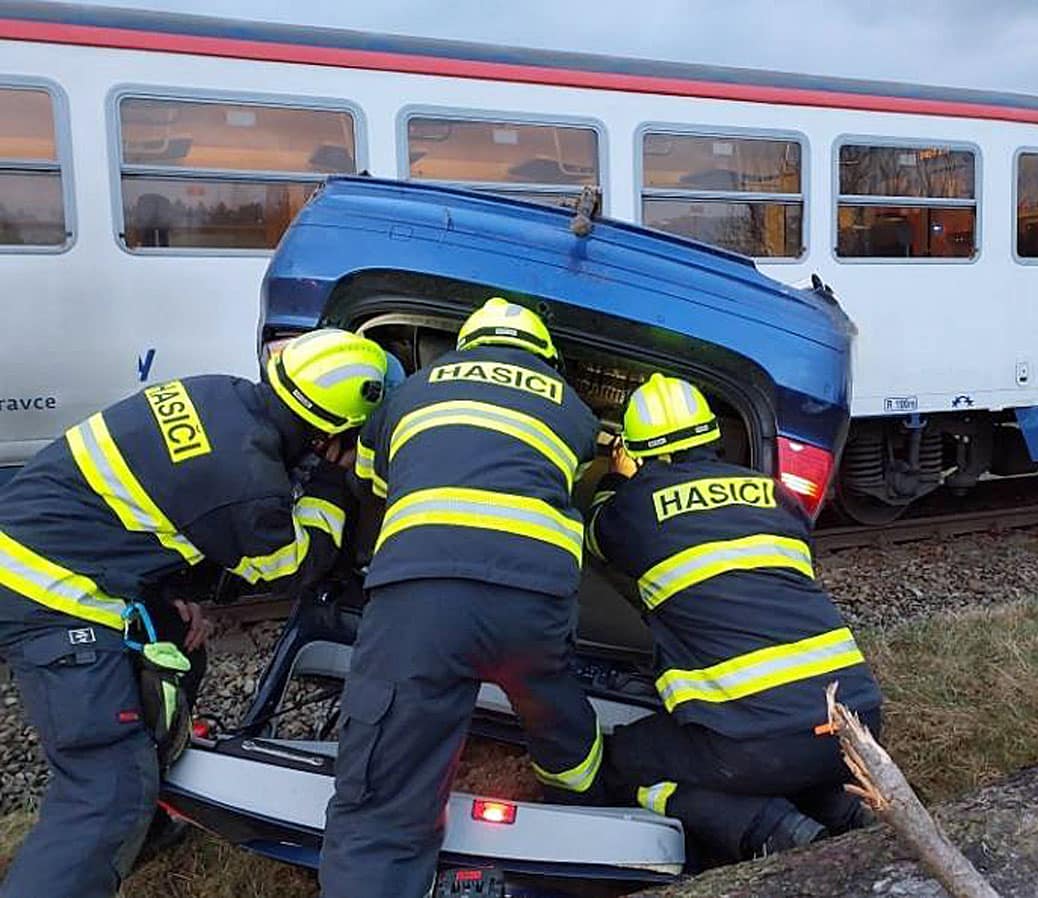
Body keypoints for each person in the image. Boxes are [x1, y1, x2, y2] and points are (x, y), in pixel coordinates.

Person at [0, 328, 388, 898]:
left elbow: (158, 505)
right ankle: (105, 833)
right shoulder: (249, 485)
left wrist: (167, 596)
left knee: (178, 650)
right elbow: (296, 564)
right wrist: (332, 483)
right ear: (331, 431)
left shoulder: (219, 395)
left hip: (55, 548)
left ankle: (135, 834)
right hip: (48, 594)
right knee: (104, 786)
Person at [323, 298, 603, 898]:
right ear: (546, 358)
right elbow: (561, 480)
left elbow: (373, 479)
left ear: (466, 345)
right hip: (533, 605)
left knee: (385, 790)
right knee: (555, 714)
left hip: (422, 602)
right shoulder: (573, 409)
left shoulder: (413, 391)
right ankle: (586, 808)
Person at [585, 373, 883, 861]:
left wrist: (615, 477)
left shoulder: (636, 506)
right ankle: (845, 810)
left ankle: (775, 830)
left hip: (753, 743)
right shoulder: (772, 492)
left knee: (625, 762)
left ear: (639, 454)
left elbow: (597, 539)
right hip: (854, 719)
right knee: (788, 753)